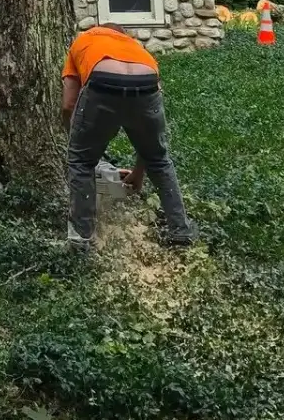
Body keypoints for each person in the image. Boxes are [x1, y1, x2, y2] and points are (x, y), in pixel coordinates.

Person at [61, 21, 195, 251]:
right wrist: (138, 174)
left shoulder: (83, 40)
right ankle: (181, 233)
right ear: (122, 34)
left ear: (96, 29)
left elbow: (69, 104)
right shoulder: (137, 49)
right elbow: (149, 139)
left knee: (80, 162)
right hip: (146, 82)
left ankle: (81, 240)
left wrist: (79, 141)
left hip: (102, 80)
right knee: (159, 160)